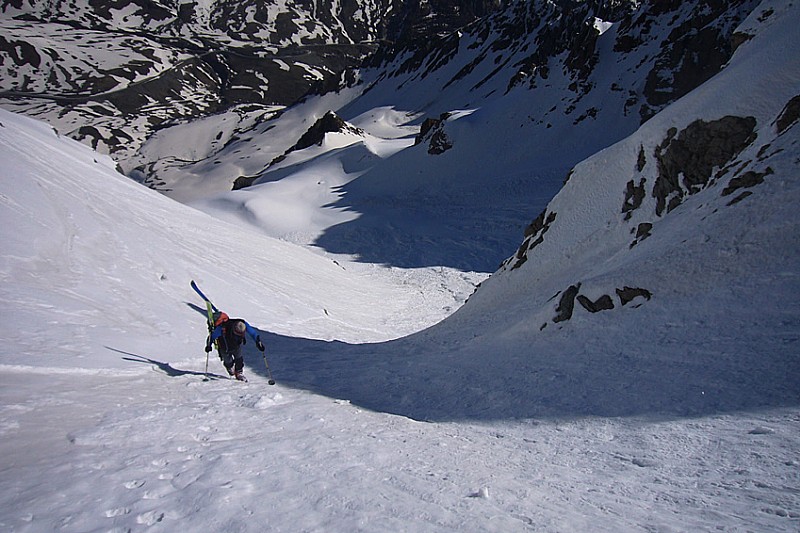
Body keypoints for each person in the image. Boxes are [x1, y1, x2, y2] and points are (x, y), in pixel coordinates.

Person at [205, 314, 265, 381]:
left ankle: (239, 372)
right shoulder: (223, 328)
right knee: (228, 361)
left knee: (239, 358)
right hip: (224, 347)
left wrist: (258, 342)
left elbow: (253, 333)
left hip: (236, 346)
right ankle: (230, 367)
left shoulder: (243, 324)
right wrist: (208, 345)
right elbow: (212, 337)